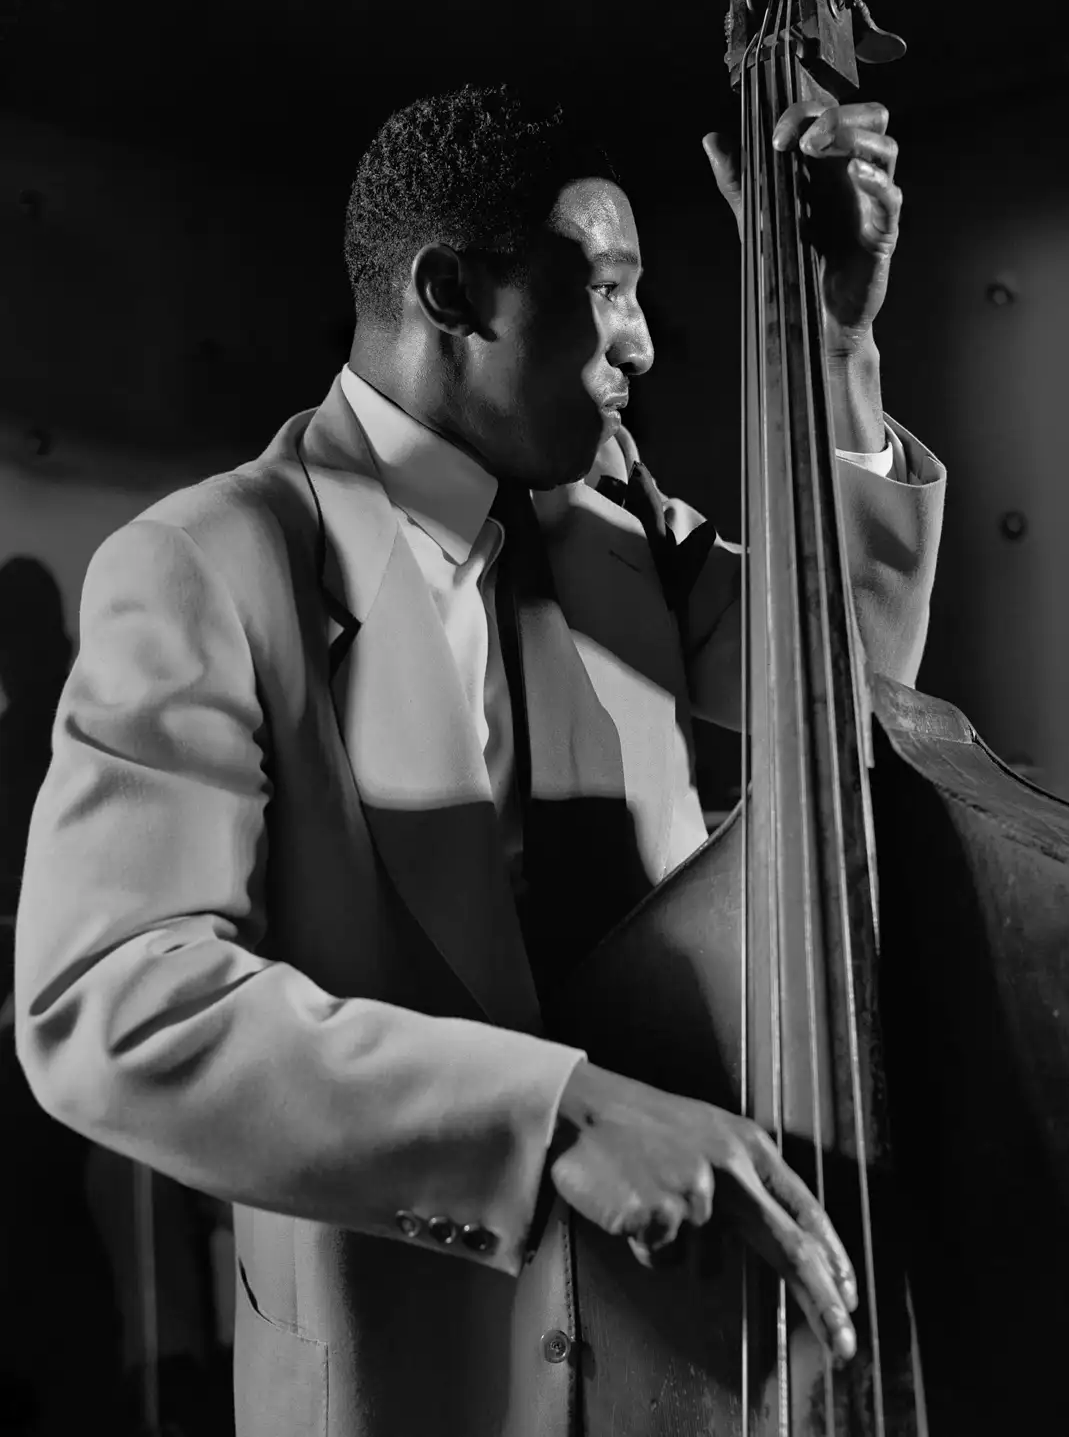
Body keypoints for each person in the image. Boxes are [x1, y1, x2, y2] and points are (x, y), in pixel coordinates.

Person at [13, 84, 945, 1437]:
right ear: (450, 291)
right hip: (405, 1381)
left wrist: (843, 353)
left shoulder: (625, 519)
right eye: (604, 289)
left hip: (688, 1365)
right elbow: (112, 1002)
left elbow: (849, 695)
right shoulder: (205, 564)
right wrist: (556, 1118)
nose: (638, 343)